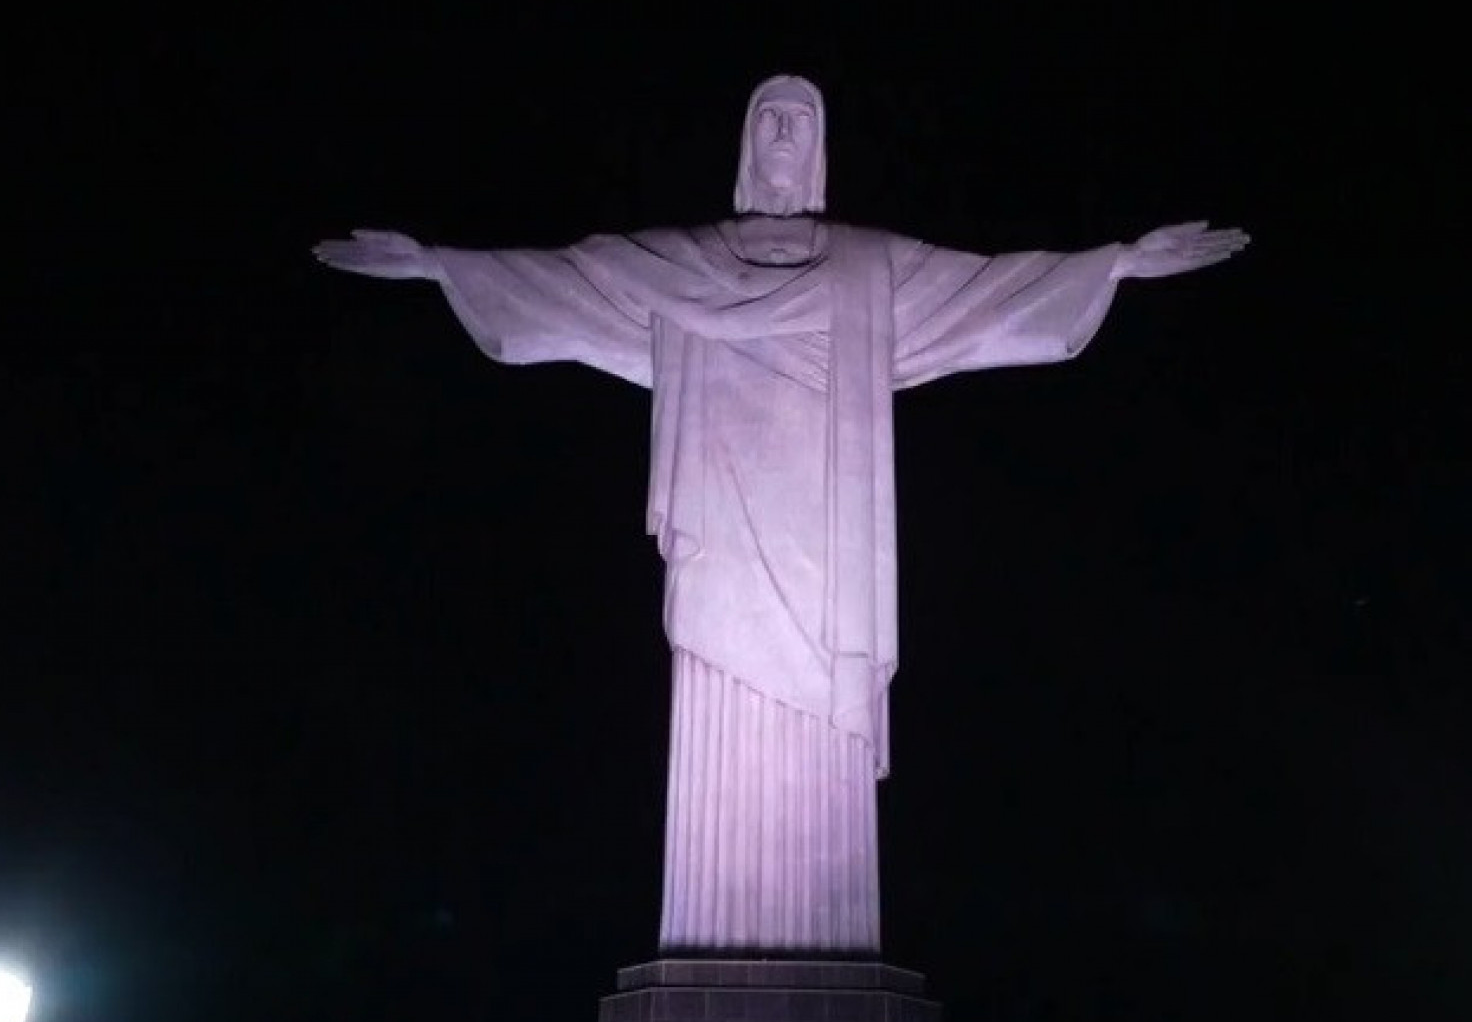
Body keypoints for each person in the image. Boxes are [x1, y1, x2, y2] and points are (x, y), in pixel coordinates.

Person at [315, 74, 1246, 954]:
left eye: (802, 119)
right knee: (718, 726)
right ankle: (709, 931)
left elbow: (993, 292)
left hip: (827, 563)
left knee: (822, 753)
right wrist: (440, 267)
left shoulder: (870, 269)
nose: (785, 134)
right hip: (722, 543)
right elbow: (564, 281)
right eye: (770, 116)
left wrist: (1116, 264)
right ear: (745, 141)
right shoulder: (681, 265)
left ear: (823, 147)